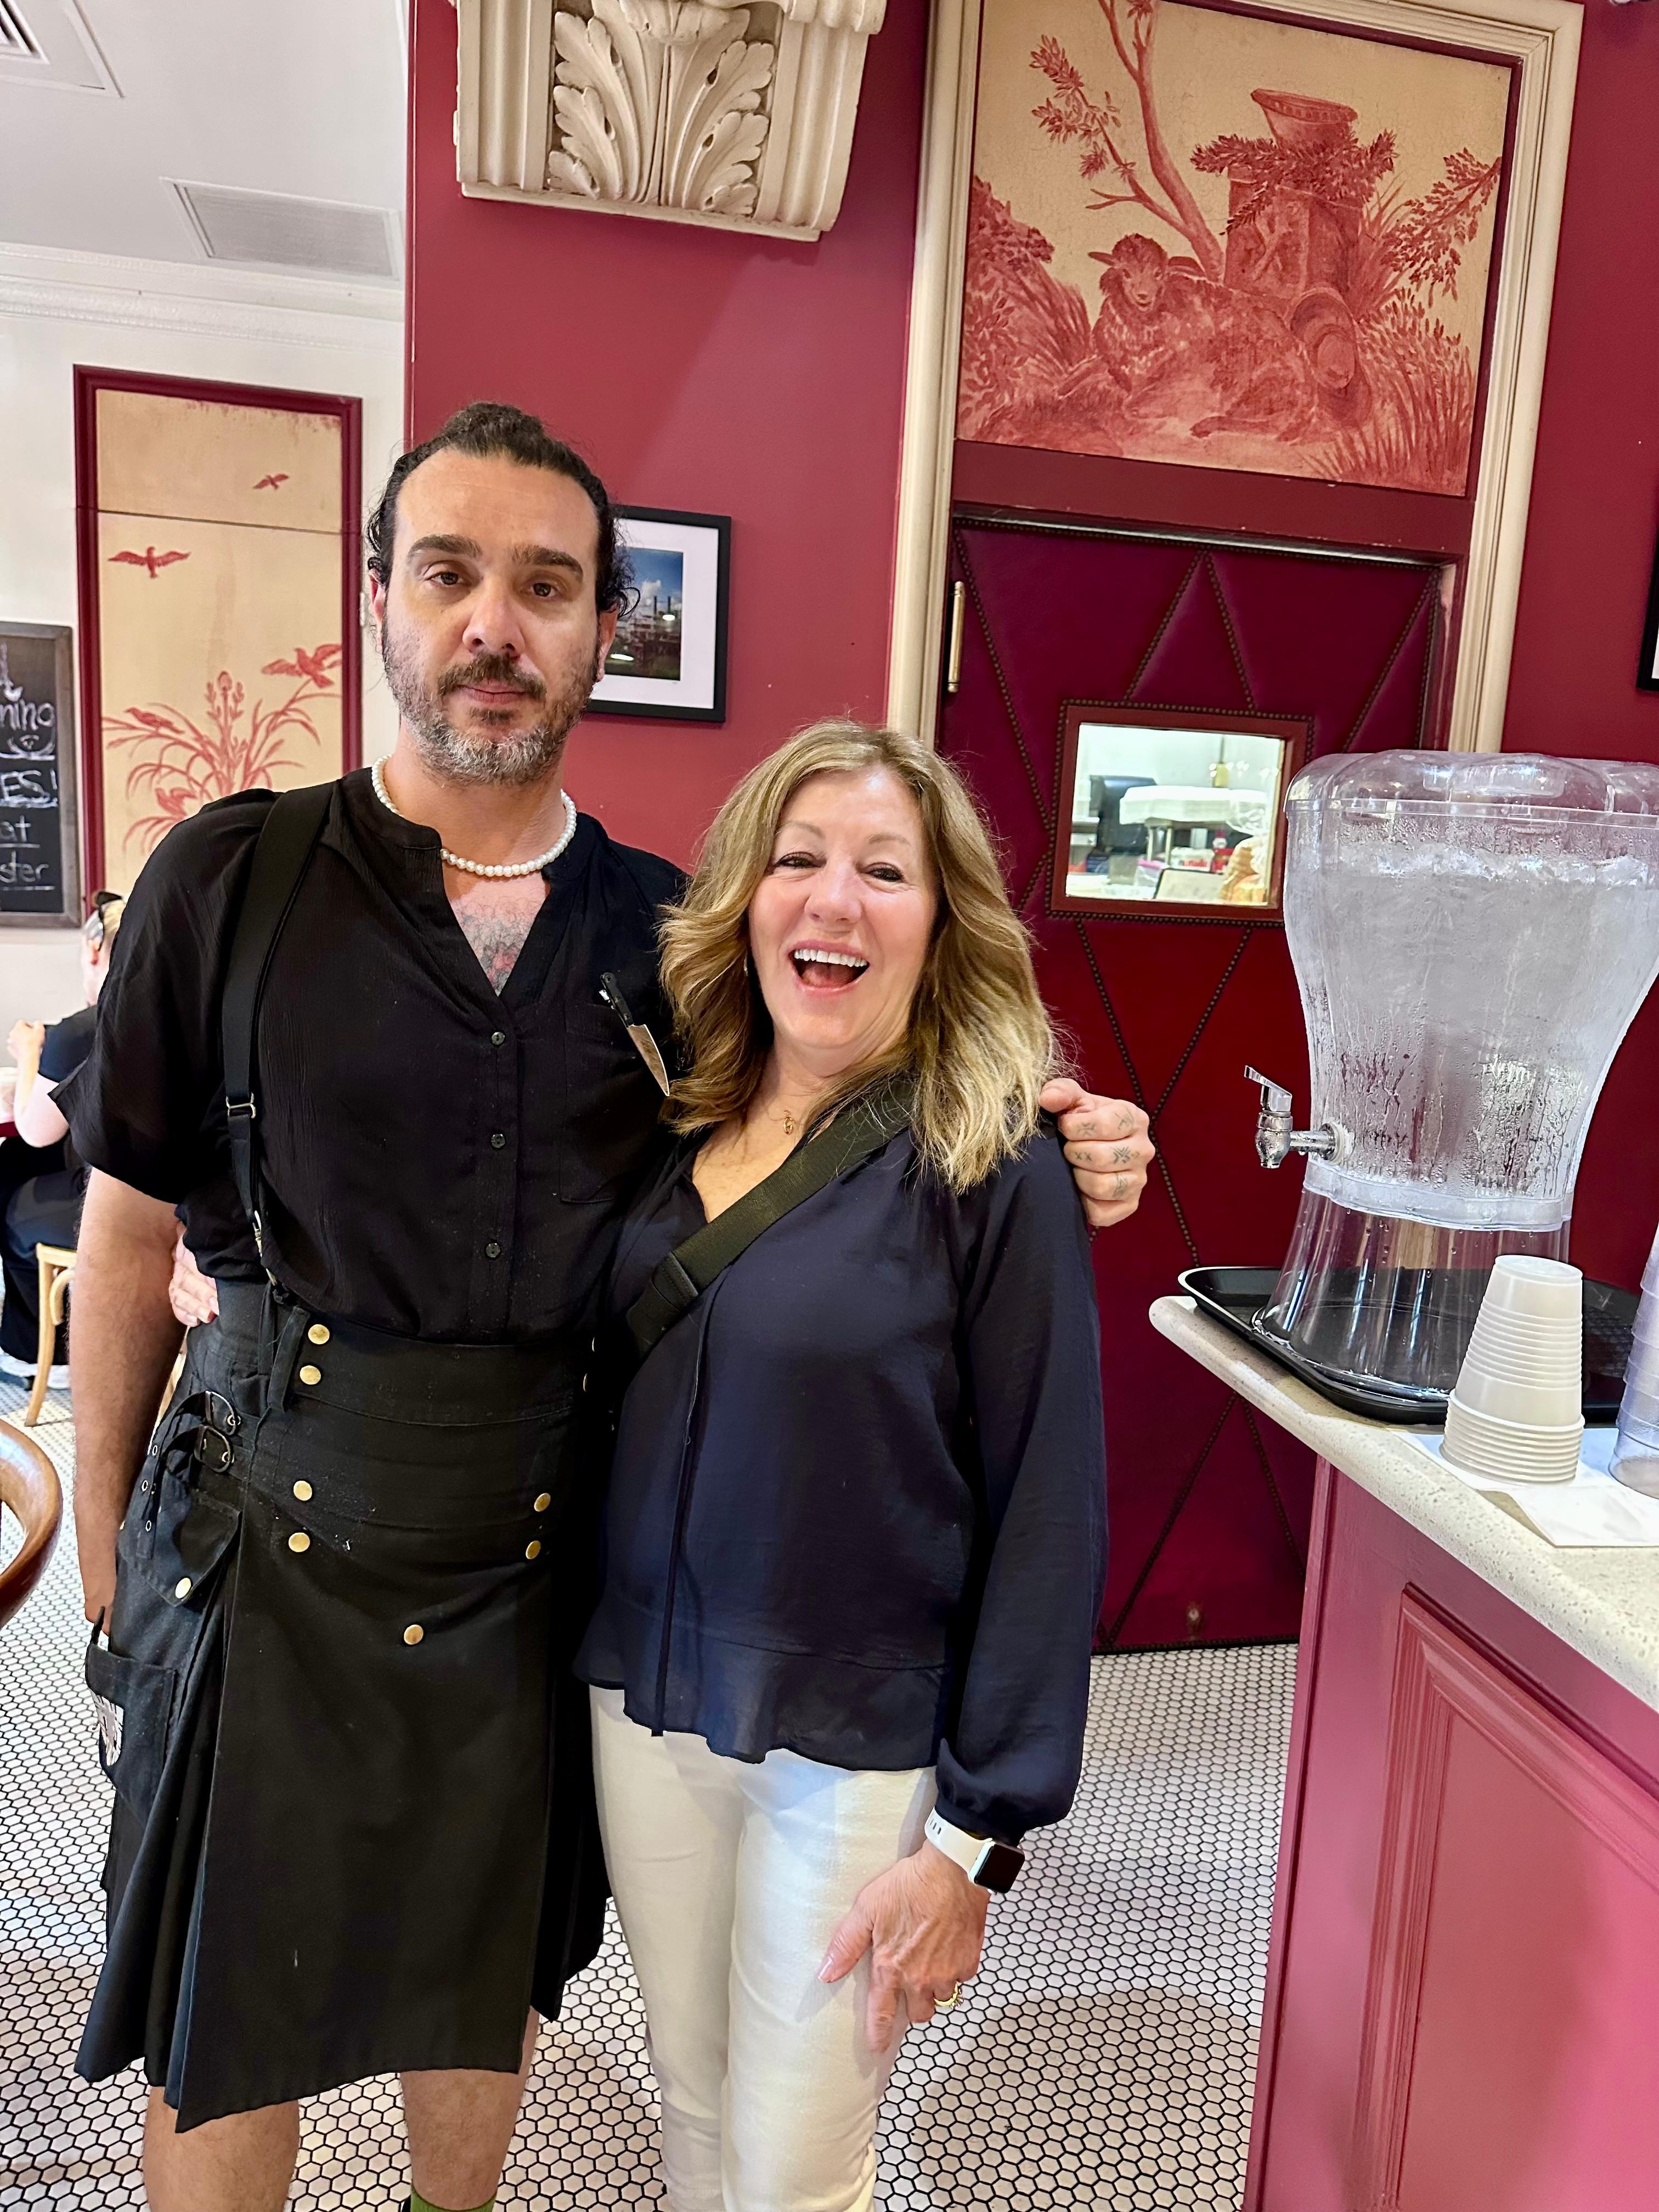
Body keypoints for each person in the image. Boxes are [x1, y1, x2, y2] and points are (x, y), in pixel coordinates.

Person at [59, 400, 1154, 2212]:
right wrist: (104, 1558)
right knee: (223, 2009)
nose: (494, 623)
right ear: (381, 599)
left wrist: (1040, 1115)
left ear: (600, 632)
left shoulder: (665, 936)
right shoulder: (229, 880)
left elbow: (835, 1084)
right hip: (260, 1535)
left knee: (475, 1986)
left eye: (547, 585)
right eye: (449, 573)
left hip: (530, 1574)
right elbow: (120, 1235)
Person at [579, 721, 1107, 2212]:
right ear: (745, 899)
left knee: (797, 2168)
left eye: (885, 871)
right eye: (799, 859)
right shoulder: (671, 1124)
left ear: (941, 925)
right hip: (644, 1704)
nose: (834, 899)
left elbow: (1049, 1508)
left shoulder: (996, 1166)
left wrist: (975, 1841)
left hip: (855, 1742)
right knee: (695, 2110)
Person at [1, 892, 125, 1386]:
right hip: (178, 1202)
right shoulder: (175, 1013)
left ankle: (45, 1350)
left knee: (12, 1197)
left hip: (111, 1206)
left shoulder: (81, 1032)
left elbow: (35, 1130)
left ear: (93, 948)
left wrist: (30, 1050)